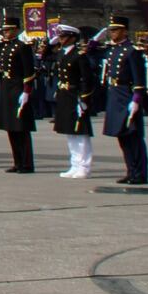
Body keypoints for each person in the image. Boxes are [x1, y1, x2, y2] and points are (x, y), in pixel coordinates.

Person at [99, 15, 148, 186]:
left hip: (127, 94)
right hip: (115, 94)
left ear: (124, 31)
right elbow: (91, 52)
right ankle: (130, 171)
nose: (112, 33)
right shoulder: (112, 50)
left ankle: (140, 173)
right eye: (111, 30)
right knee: (122, 136)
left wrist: (136, 99)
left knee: (133, 136)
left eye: (116, 30)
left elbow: (139, 79)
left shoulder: (132, 51)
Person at [49, 24, 97, 180]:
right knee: (70, 132)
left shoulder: (79, 55)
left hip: (76, 96)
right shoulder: (62, 54)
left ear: (72, 38)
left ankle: (84, 166)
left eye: (63, 37)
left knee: (80, 133)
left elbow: (87, 79)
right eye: (60, 37)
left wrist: (84, 98)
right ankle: (75, 164)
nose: (60, 40)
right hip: (65, 95)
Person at [0, 17, 37, 173]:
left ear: (16, 29)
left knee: (21, 128)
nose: (6, 32)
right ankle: (17, 162)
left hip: (18, 88)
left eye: (9, 29)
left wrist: (26, 91)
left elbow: (29, 72)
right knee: (11, 127)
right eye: (4, 30)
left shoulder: (22, 47)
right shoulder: (4, 47)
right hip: (7, 88)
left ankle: (26, 164)